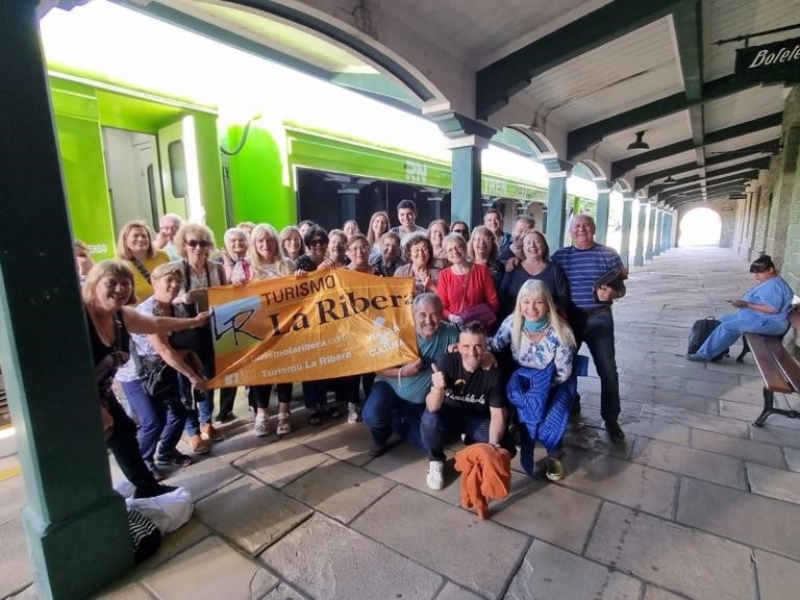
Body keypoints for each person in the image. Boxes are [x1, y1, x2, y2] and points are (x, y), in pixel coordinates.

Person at [84, 260, 209, 498]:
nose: (120, 289)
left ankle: (147, 487)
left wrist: (193, 321)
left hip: (103, 392)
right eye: (112, 283)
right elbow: (70, 369)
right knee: (137, 427)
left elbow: (155, 324)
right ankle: (100, 502)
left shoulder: (120, 315)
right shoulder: (82, 318)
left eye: (125, 284)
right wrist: (95, 408)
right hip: (81, 397)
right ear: (94, 284)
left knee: (124, 432)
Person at [116, 263, 204, 478]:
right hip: (137, 375)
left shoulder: (177, 307)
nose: (174, 285)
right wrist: (192, 376)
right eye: (169, 280)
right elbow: (163, 348)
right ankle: (143, 460)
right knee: (153, 421)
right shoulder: (147, 310)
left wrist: (196, 365)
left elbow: (181, 344)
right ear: (154, 282)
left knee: (179, 412)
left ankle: (165, 451)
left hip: (163, 371)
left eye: (178, 281)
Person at [489, 280, 576, 481]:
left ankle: (554, 453)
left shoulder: (560, 332)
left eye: (538, 302)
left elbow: (563, 372)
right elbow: (494, 345)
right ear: (520, 304)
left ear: (548, 305)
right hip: (522, 380)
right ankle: (515, 434)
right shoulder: (512, 323)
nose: (531, 308)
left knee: (554, 415)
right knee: (509, 395)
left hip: (554, 383)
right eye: (526, 302)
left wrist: (540, 390)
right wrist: (466, 346)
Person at [551, 214, 626, 443]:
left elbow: (621, 288)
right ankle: (570, 404)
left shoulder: (608, 254)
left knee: (608, 370)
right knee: (564, 366)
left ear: (593, 228)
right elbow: (540, 267)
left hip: (600, 317)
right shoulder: (560, 256)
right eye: (576, 226)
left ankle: (611, 419)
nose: (581, 229)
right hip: (570, 320)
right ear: (570, 231)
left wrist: (614, 294)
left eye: (585, 225)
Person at [361, 293, 459, 457]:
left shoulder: (451, 334)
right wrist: (402, 372)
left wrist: (485, 355)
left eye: (434, 314)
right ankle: (380, 439)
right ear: (413, 315)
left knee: (428, 443)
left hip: (420, 401)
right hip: (390, 386)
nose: (428, 320)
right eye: (422, 315)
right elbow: (377, 367)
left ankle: (399, 421)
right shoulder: (398, 331)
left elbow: (475, 343)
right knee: (372, 415)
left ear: (442, 314)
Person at [421, 322, 514, 490]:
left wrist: (491, 450)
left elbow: (497, 415)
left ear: (486, 347)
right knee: (429, 419)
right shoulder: (446, 362)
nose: (472, 352)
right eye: (466, 346)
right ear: (458, 347)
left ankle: (472, 442)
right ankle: (435, 461)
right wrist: (437, 389)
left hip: (476, 419)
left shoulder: (493, 370)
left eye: (478, 346)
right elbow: (432, 407)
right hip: (449, 415)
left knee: (505, 448)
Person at [231, 224, 296, 436]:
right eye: (260, 241)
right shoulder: (244, 267)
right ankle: (262, 413)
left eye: (269, 240)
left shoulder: (287, 264)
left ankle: (285, 412)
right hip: (257, 329)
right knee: (262, 372)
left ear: (276, 242)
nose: (265, 245)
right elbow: (234, 299)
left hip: (283, 327)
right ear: (254, 244)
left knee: (284, 368)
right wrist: (235, 284)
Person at [173, 223, 227, 452]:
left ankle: (207, 422)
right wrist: (184, 298)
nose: (198, 247)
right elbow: (164, 299)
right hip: (184, 333)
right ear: (183, 246)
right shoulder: (175, 269)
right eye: (192, 243)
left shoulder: (217, 269)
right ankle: (192, 432)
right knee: (187, 382)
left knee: (208, 378)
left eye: (203, 243)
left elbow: (227, 294)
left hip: (211, 332)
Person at [687, 254, 795, 362]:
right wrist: (741, 302)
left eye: (760, 272)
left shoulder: (775, 286)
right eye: (755, 273)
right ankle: (713, 349)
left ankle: (705, 355)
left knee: (729, 326)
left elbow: (772, 309)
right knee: (723, 320)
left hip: (769, 323)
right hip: (758, 318)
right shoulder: (769, 282)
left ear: (771, 269)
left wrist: (746, 304)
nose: (757, 276)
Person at [294, 225, 343, 423]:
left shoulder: (331, 262)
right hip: (307, 321)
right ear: (308, 244)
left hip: (327, 319)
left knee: (324, 363)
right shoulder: (302, 262)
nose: (319, 245)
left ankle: (324, 403)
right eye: (314, 242)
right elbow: (298, 291)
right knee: (310, 363)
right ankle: (311, 407)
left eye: (322, 241)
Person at [499, 230, 570, 316]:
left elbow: (563, 299)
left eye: (537, 242)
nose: (532, 245)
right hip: (514, 317)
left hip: (546, 320)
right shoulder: (513, 267)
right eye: (528, 243)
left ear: (544, 246)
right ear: (523, 248)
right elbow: (502, 294)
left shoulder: (554, 270)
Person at [437, 233, 500, 329]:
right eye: (450, 250)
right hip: (454, 327)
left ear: (466, 248)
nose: (455, 252)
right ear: (446, 255)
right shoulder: (444, 275)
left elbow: (493, 302)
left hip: (479, 327)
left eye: (459, 247)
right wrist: (451, 317)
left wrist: (480, 321)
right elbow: (441, 306)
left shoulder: (482, 271)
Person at [116, 220, 170, 303]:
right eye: (135, 236)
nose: (140, 239)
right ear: (125, 240)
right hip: (138, 312)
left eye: (144, 236)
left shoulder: (162, 255)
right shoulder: (119, 265)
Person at [468, 226, 504, 292]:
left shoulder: (499, 267)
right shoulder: (465, 264)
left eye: (486, 239)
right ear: (472, 243)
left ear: (492, 244)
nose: (482, 243)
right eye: (478, 239)